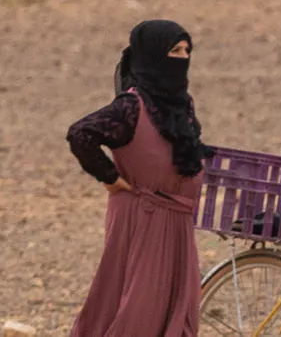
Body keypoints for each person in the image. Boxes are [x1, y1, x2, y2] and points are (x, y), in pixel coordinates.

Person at [67, 20, 211, 337]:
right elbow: (81, 134)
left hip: (178, 220)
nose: (183, 57)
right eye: (175, 50)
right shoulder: (131, 106)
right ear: (152, 56)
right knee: (138, 308)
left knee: (177, 308)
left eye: (187, 50)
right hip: (142, 217)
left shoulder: (181, 106)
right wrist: (109, 177)